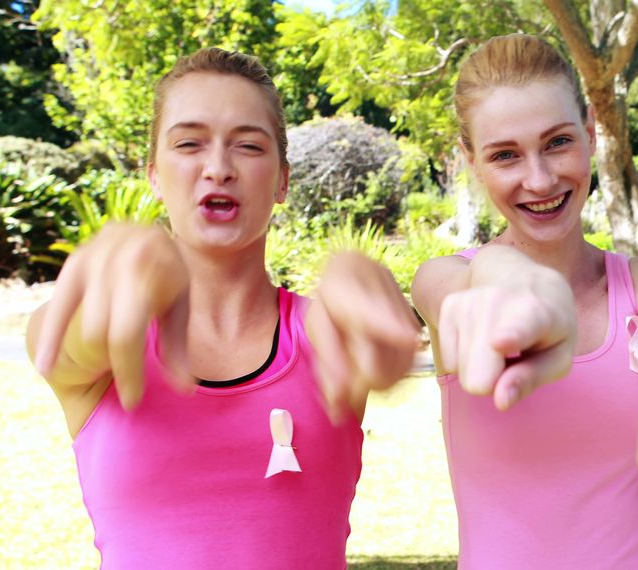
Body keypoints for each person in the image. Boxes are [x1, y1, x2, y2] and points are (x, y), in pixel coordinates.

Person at [25, 48, 421, 569]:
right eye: (189, 144)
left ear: (282, 180)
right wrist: (116, 283)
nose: (218, 168)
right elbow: (69, 343)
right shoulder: (89, 335)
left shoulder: (330, 335)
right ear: (154, 175)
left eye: (248, 146)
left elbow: (386, 345)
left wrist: (372, 294)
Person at [410, 34, 638, 569]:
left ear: (590, 131)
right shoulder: (445, 279)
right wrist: (505, 277)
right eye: (505, 155)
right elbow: (463, 296)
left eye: (558, 142)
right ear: (471, 161)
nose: (540, 179)